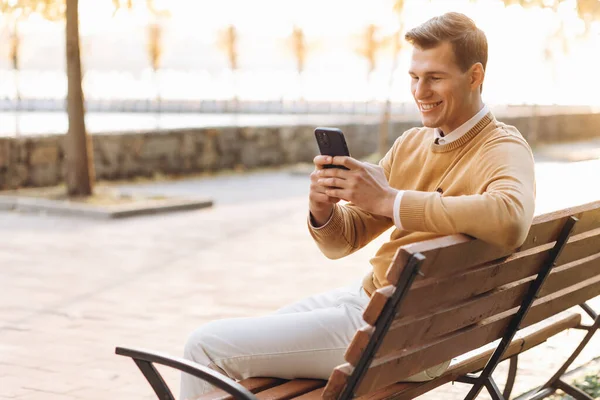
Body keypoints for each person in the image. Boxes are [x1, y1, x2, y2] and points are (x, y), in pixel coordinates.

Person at [180, 12, 536, 400]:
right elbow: (342, 244)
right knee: (246, 354)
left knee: (205, 347)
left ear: (475, 76)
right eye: (414, 78)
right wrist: (324, 210)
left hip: (403, 333)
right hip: (375, 304)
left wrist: (389, 199)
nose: (420, 91)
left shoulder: (502, 147)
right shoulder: (412, 143)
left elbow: (510, 218)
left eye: (435, 77)